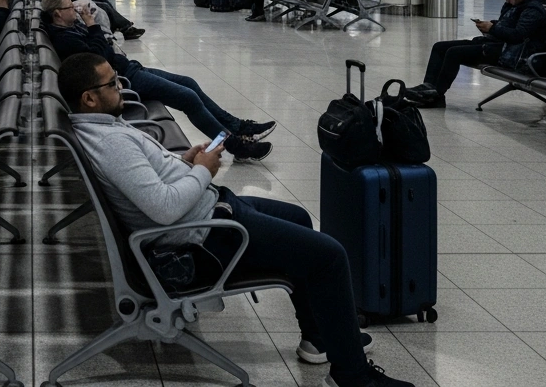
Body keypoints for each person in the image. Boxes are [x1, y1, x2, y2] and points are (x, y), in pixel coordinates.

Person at [57, 53, 413, 387]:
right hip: (201, 240)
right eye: (112, 84)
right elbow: (163, 209)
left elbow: (149, 185)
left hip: (206, 215)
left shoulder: (102, 129)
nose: (120, 87)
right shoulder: (111, 142)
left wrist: (183, 163)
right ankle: (353, 375)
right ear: (89, 99)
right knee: (330, 256)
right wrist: (202, 172)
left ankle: (319, 339)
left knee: (298, 217)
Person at [41, 0, 274, 160]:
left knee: (188, 83)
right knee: (187, 98)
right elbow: (100, 56)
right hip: (124, 80)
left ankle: (238, 126)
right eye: (70, 7)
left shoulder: (70, 27)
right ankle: (235, 146)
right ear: (57, 14)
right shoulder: (65, 39)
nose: (76, 9)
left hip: (127, 69)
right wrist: (92, 24)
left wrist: (90, 26)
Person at [403, 0, 546, 108]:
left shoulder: (532, 10)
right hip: (497, 44)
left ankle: (436, 96)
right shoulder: (513, 5)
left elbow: (518, 35)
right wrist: (489, 27)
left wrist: (492, 28)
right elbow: (506, 27)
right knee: (440, 47)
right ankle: (428, 86)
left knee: (454, 53)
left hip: (514, 55)